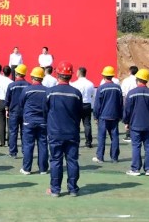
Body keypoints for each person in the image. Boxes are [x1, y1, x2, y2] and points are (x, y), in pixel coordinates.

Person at [44, 61, 83, 197]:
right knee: (72, 160)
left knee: (55, 160)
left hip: (55, 132)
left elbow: (45, 112)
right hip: (72, 132)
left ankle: (55, 189)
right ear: (70, 76)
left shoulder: (50, 93)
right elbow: (79, 113)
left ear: (57, 74)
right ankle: (73, 189)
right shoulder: (76, 93)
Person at [123, 69, 149, 176]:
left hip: (135, 124)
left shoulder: (131, 93)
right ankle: (148, 169)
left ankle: (135, 169)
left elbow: (127, 110)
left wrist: (126, 122)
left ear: (137, 79)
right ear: (146, 80)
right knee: (148, 146)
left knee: (136, 146)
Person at [17, 67, 49, 174]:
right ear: (42, 78)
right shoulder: (47, 91)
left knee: (28, 145)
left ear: (32, 77)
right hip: (43, 121)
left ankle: (26, 168)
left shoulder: (26, 90)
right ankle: (43, 169)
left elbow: (21, 104)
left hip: (29, 121)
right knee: (43, 144)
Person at [93, 66, 123, 164]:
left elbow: (97, 104)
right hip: (114, 116)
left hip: (103, 116)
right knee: (114, 137)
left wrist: (95, 116)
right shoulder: (118, 88)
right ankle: (114, 158)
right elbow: (120, 103)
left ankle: (100, 157)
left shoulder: (101, 88)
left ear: (104, 76)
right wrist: (120, 115)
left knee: (101, 137)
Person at [5, 64, 30, 159]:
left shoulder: (11, 85)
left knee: (12, 132)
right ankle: (25, 151)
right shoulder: (29, 85)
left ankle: (13, 152)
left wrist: (7, 109)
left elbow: (7, 99)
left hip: (13, 111)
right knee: (24, 132)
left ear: (17, 73)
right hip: (25, 112)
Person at [71, 67, 95, 148]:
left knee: (76, 124)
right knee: (87, 124)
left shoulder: (74, 84)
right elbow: (92, 95)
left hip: (77, 104)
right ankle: (88, 142)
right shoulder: (90, 84)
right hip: (87, 104)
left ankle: (76, 141)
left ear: (79, 73)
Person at [0, 66, 13, 148]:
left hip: (1, 101)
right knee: (10, 124)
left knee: (1, 123)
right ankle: (9, 141)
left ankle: (2, 141)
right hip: (9, 103)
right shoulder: (12, 82)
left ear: (3, 72)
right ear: (10, 73)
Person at [121, 66, 139, 142]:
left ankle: (128, 135)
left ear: (130, 71)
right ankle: (135, 133)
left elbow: (123, 93)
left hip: (127, 100)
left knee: (127, 117)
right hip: (137, 101)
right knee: (136, 116)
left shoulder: (126, 80)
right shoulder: (138, 80)